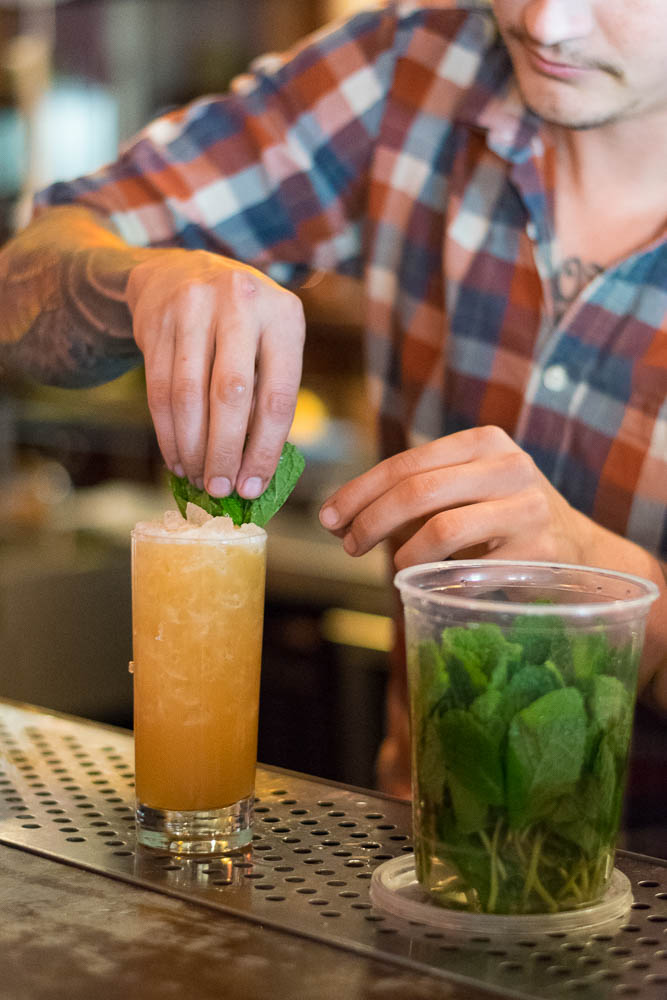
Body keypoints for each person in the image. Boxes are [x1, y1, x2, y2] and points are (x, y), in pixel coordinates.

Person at [0, 1, 665, 795]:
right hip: (423, 839)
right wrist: (137, 284)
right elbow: (22, 282)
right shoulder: (413, 64)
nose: (546, 23)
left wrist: (616, 590)